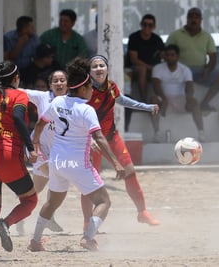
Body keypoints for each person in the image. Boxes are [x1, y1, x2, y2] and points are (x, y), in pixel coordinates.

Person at [28, 59, 125, 252]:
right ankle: (88, 238)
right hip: (77, 163)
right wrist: (115, 162)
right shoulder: (86, 109)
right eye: (90, 86)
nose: (92, 90)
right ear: (83, 88)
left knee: (52, 202)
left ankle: (35, 241)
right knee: (103, 201)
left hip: (56, 161)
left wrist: (36, 144)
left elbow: (39, 124)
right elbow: (99, 136)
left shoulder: (57, 101)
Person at [85, 55, 160, 228]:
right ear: (89, 72)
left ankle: (142, 212)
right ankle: (86, 222)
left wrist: (146, 107)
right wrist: (88, 140)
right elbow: (77, 116)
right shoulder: (85, 90)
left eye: (101, 65)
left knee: (130, 171)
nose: (98, 69)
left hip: (111, 136)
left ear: (107, 68)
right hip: (94, 141)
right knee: (90, 182)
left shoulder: (111, 86)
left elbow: (122, 100)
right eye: (94, 66)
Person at [0, 61, 38, 261]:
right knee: (30, 200)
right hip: (8, 154)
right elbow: (19, 118)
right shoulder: (19, 95)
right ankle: (6, 224)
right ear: (15, 78)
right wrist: (30, 147)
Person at [23, 70, 69, 232]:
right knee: (57, 177)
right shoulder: (42, 97)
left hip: (57, 151)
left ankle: (21, 213)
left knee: (37, 188)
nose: (59, 83)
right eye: (55, 81)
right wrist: (4, 86)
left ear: (67, 84)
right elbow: (21, 92)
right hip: (37, 146)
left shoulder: (71, 102)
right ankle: (47, 217)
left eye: (62, 80)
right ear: (50, 85)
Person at [166, 7, 219, 111]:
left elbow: (213, 57)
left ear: (201, 20)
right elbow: (166, 54)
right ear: (187, 19)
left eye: (196, 17)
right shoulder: (175, 35)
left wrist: (208, 69)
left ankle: (205, 103)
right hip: (181, 71)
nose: (194, 20)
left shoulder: (207, 36)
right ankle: (188, 105)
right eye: (191, 17)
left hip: (200, 70)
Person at [150, 44, 205, 143]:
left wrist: (188, 98)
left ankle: (201, 133)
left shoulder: (185, 69)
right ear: (164, 56)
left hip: (180, 99)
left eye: (172, 55)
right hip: (163, 99)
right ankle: (157, 133)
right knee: (153, 100)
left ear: (177, 56)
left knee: (194, 102)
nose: (170, 57)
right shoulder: (158, 68)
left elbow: (189, 86)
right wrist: (165, 99)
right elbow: (156, 86)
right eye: (167, 55)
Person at [126, 14, 165, 103]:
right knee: (142, 69)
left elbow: (164, 55)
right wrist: (149, 67)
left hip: (152, 69)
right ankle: (144, 100)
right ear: (141, 25)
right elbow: (134, 60)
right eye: (145, 24)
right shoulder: (134, 38)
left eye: (150, 25)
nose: (147, 27)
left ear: (154, 27)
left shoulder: (157, 39)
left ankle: (162, 100)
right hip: (135, 69)